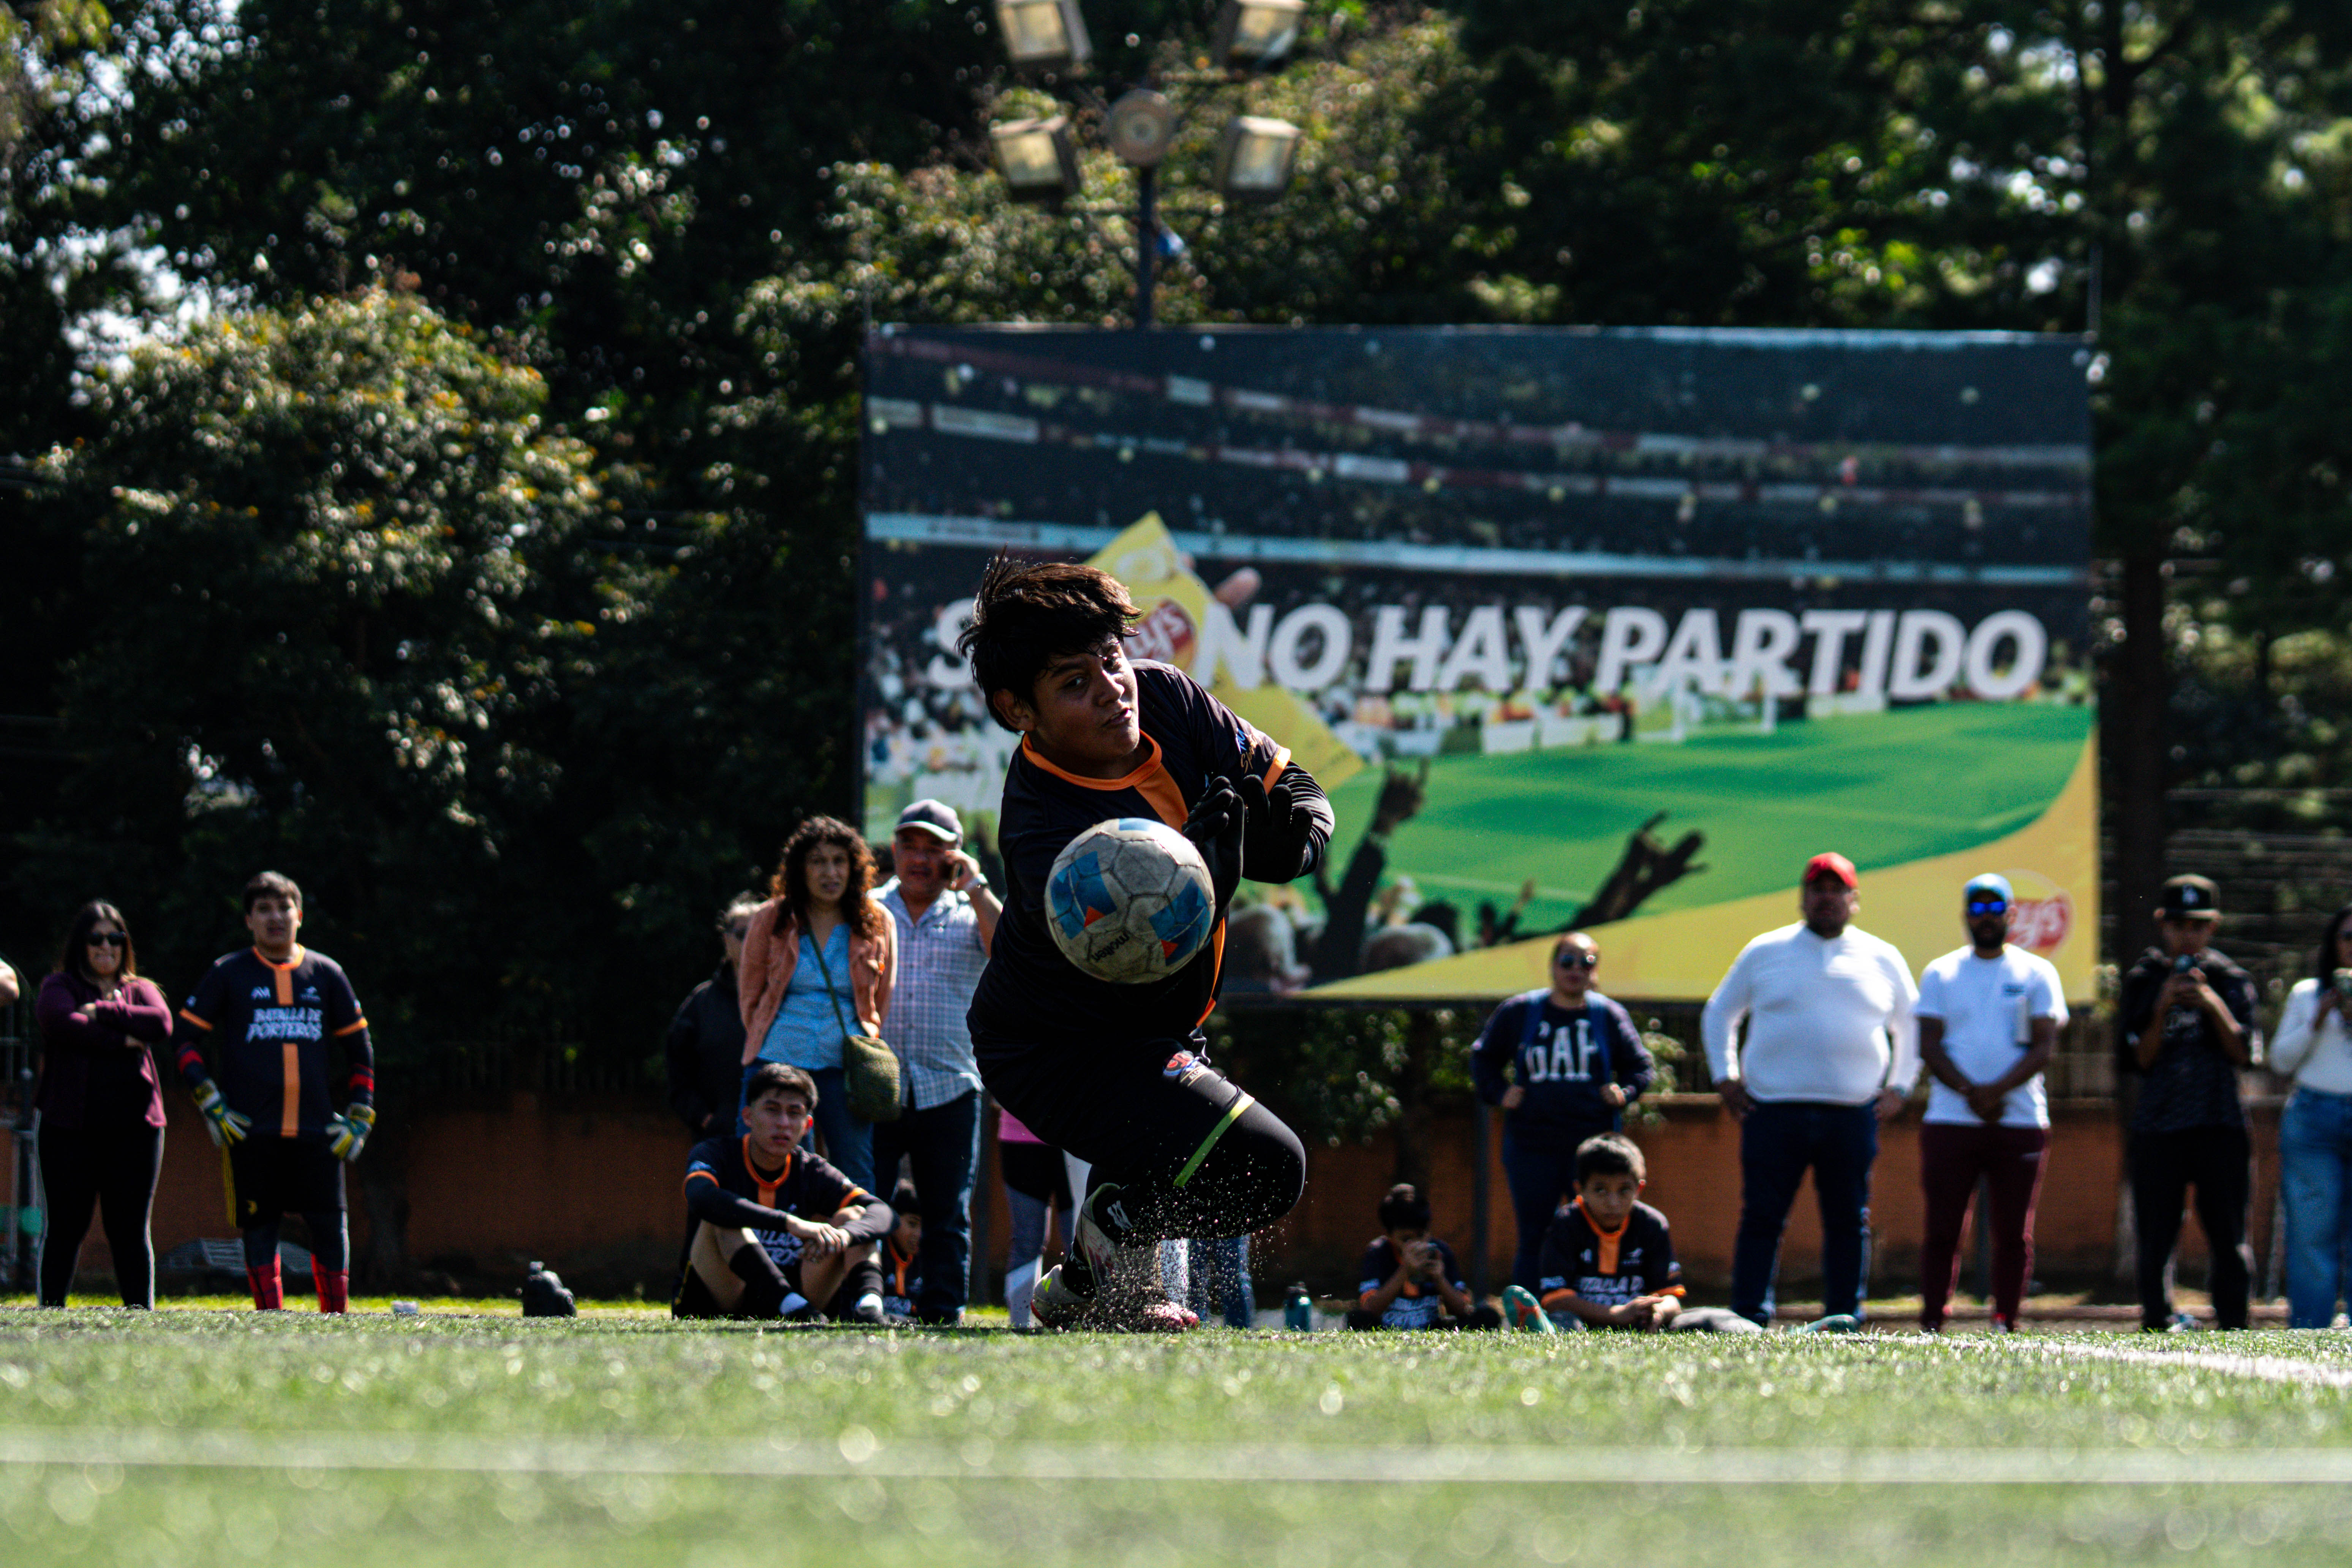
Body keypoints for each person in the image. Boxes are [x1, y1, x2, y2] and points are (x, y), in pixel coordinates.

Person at [956, 556, 1333, 1331]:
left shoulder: (1167, 696)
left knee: (1259, 1175)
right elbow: (1135, 990)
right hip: (1052, 1050)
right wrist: (1212, 888)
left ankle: (1094, 1288)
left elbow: (1303, 796)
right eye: (1074, 682)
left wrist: (1278, 845)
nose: (1112, 688)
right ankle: (1104, 1270)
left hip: (1154, 1035)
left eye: (1112, 658)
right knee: (1267, 1169)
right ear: (1016, 709)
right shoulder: (1045, 832)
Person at [1701, 852, 1918, 1327]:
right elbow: (1720, 1013)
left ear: (1854, 900)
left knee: (1847, 1223)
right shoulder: (1765, 951)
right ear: (1803, 899)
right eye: (1817, 889)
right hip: (1774, 1111)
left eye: (1837, 890)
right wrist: (1725, 1077)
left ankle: (1844, 1317)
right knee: (1762, 1218)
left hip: (1852, 1113)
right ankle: (1749, 1317)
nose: (1827, 898)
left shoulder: (1882, 957)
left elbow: (1911, 1024)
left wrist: (1900, 1086)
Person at [171, 871, 376, 1314]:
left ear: (300, 915)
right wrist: (210, 1101)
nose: (275, 918)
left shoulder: (327, 973)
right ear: (248, 920)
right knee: (260, 1227)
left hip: (318, 1131)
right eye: (263, 909)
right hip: (251, 1131)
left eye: (284, 908)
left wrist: (362, 1113)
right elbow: (183, 1038)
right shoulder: (229, 973)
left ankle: (336, 1321)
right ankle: (270, 1322)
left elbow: (361, 1050)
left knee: (329, 1224)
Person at [1914, 874, 2067, 1333]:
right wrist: (1971, 1094)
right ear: (1966, 917)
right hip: (1951, 1120)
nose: (1986, 919)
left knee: (2013, 1233)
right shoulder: (1941, 973)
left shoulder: (2037, 973)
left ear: (2011, 915)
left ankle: (2005, 1319)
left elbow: (2044, 1046)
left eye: (1995, 909)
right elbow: (1930, 1045)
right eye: (1977, 910)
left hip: (2018, 1120)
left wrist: (1996, 1093)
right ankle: (1932, 1323)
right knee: (1943, 1229)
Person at [871, 798, 1000, 1325]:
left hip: (951, 1084)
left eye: (935, 849)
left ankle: (944, 1311)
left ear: (955, 856)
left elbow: (1011, 952)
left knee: (947, 1212)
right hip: (876, 1085)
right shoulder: (869, 908)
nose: (921, 859)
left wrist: (976, 886)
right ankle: (867, 1300)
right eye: (911, 846)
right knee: (869, 1206)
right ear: (896, 850)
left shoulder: (973, 911)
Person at [1471, 929, 1657, 1292]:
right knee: (1534, 1233)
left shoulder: (1608, 1015)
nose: (1576, 970)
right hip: (1531, 1145)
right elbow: (1483, 1058)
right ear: (1553, 967)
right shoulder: (1521, 1011)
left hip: (1592, 1152)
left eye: (1586, 962)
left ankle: (1587, 1309)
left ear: (1596, 971)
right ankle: (1529, 1318)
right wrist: (1499, 1092)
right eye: (1567, 961)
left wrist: (1625, 1092)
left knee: (1592, 1229)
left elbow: (1642, 1068)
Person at [2118, 874, 2261, 1331]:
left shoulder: (2232, 979)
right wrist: (2162, 1007)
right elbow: (2139, 1059)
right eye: (2179, 924)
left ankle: (2235, 1322)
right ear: (2162, 924)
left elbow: (2245, 1054)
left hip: (2219, 1123)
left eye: (2198, 925)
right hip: (2160, 1126)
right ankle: (2157, 1318)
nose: (2188, 934)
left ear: (2214, 926)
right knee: (2156, 1234)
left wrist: (2212, 1004)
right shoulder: (2143, 981)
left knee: (2228, 1234)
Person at [738, 817, 896, 1194]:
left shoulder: (878, 922)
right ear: (800, 869)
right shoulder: (771, 918)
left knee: (855, 1173)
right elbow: (750, 997)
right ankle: (772, 1252)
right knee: (772, 1168)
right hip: (778, 1062)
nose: (830, 872)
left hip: (846, 1069)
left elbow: (881, 1000)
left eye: (839, 861)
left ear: (854, 867)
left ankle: (859, 1252)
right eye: (818, 862)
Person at [671, 1062, 894, 1323]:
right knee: (721, 1216)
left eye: (794, 1113)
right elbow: (700, 1196)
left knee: (855, 1216)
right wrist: (792, 1224)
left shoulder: (813, 1170)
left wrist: (844, 1236)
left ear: (807, 1125)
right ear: (748, 1117)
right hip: (727, 1299)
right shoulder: (716, 1153)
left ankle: (870, 1307)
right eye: (772, 1110)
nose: (783, 1123)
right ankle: (789, 1303)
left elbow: (884, 1214)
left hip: (802, 1301)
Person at [32, 901, 173, 1309]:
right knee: (66, 1225)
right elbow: (59, 1022)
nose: (106, 946)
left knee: (129, 1229)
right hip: (68, 1128)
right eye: (96, 938)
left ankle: (139, 1316)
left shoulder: (140, 988)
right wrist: (121, 1038)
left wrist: (103, 1011)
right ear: (81, 944)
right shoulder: (59, 986)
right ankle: (51, 1313)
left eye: (116, 938)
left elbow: (160, 1024)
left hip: (136, 1130)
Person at [1508, 1133, 1759, 1334]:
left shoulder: (1652, 1224)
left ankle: (1762, 1334)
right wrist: (1616, 1314)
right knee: (1565, 1323)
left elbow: (1671, 1298)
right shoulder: (1565, 1225)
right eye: (1601, 1190)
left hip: (1641, 1320)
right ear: (1580, 1190)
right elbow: (1555, 1299)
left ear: (1639, 1189)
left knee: (1712, 1318)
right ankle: (1540, 1332)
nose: (1613, 1202)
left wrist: (1657, 1312)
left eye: (1624, 1190)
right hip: (1585, 1320)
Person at [2271, 902, 2352, 1329]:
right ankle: (2310, 1330)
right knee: (2312, 1233)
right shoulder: (2307, 993)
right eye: (2348, 937)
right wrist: (2317, 1021)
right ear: (2333, 944)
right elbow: (2280, 1061)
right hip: (2313, 1122)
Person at [664, 895, 759, 1139]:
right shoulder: (701, 1003)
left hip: (779, 1144)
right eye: (743, 934)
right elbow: (677, 1075)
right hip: (719, 1141)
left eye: (760, 932)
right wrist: (707, 1120)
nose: (751, 941)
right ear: (726, 939)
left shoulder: (788, 998)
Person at [1347, 1182, 1501, 1330]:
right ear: (1390, 1235)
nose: (1416, 1245)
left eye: (1421, 1236)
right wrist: (1405, 1271)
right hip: (1386, 1327)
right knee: (1356, 1319)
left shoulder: (1440, 1252)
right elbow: (1369, 1309)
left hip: (1432, 1328)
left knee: (1487, 1317)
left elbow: (1463, 1310)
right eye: (1406, 1240)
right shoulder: (1378, 1253)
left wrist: (1440, 1280)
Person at [997, 1106, 1069, 1329]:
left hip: (1075, 1135)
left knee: (1079, 1236)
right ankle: (1020, 1322)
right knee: (1026, 1240)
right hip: (1019, 1134)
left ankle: (1080, 1318)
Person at [879, 1178, 923, 1324]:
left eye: (924, 1227)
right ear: (893, 1218)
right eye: (912, 1224)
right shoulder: (878, 1254)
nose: (919, 1234)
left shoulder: (925, 1261)